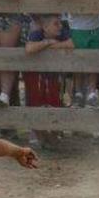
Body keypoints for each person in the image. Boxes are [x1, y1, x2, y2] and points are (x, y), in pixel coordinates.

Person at [22, 14, 71, 147]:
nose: (60, 26)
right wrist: (48, 42)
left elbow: (70, 44)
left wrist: (46, 47)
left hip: (53, 76)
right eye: (56, 23)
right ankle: (41, 136)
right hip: (37, 76)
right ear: (45, 27)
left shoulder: (61, 33)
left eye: (60, 23)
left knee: (55, 102)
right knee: (36, 102)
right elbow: (29, 49)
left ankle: (53, 137)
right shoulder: (37, 34)